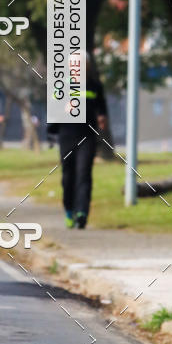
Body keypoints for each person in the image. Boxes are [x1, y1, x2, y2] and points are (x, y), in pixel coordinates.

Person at [55, 62, 107, 229]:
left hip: (87, 136)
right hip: (67, 135)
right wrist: (64, 108)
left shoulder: (94, 85)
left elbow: (102, 107)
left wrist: (102, 117)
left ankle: (82, 213)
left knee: (84, 174)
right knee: (68, 175)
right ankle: (69, 210)